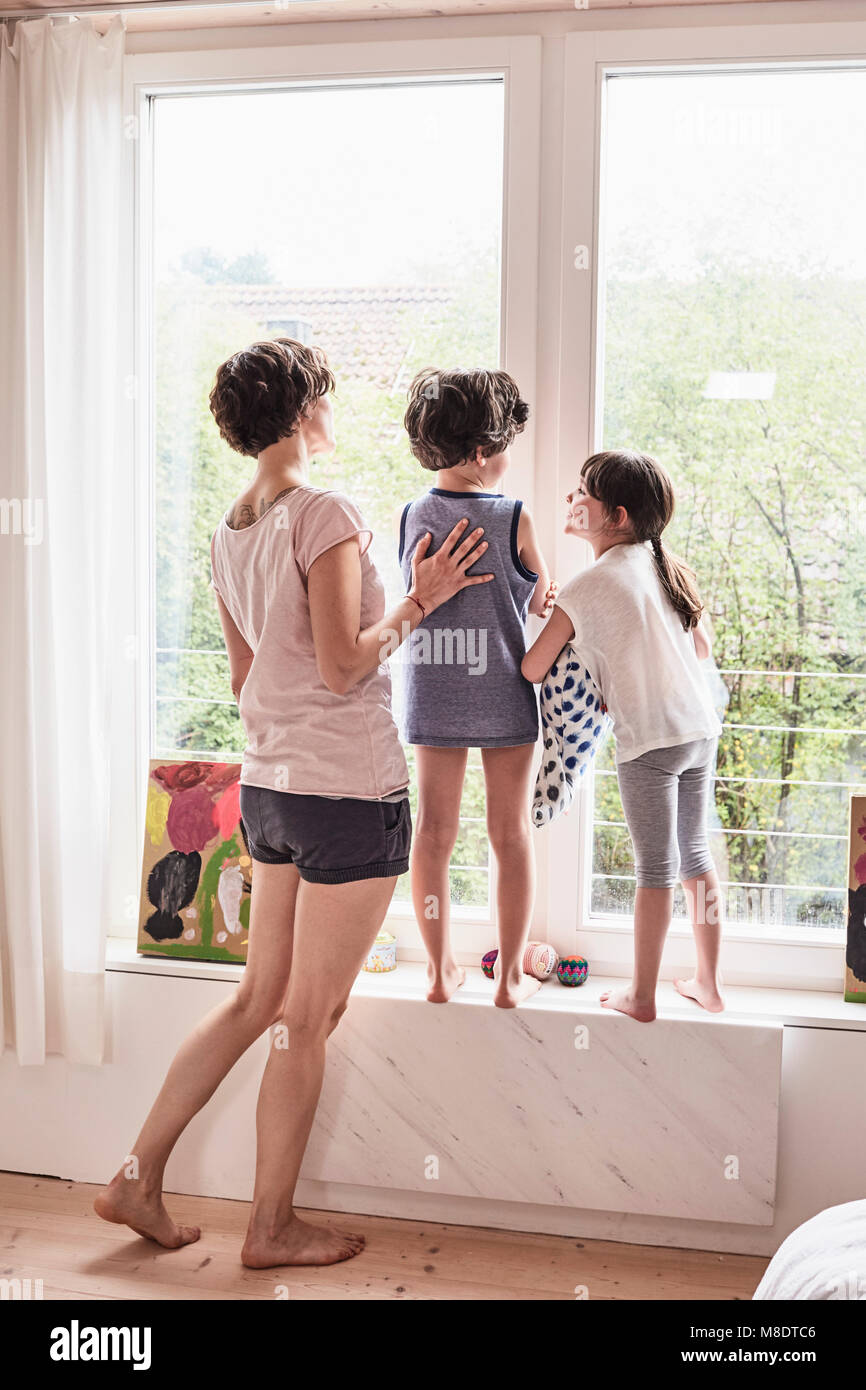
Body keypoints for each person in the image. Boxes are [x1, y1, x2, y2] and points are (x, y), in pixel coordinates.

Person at [95, 338, 493, 1266]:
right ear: (302, 410)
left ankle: (134, 1178)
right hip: (348, 795)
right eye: (324, 397)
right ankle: (270, 1228)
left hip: (270, 790)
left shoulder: (230, 528)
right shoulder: (325, 513)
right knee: (304, 1020)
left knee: (256, 1002)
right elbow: (346, 663)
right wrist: (423, 600)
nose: (332, 411)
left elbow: (245, 678)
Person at [522, 449, 723, 1023]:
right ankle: (708, 984)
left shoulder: (587, 586)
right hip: (699, 730)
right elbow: (701, 648)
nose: (570, 499)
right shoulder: (665, 564)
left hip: (651, 744)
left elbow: (533, 669)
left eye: (581, 491)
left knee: (655, 870)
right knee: (695, 856)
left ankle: (642, 995)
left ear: (617, 515)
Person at [398, 368, 557, 1007]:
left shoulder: (412, 515)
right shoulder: (514, 518)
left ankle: (439, 972)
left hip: (434, 692)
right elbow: (543, 598)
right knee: (509, 834)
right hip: (502, 693)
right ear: (480, 454)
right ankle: (512, 977)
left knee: (433, 833)